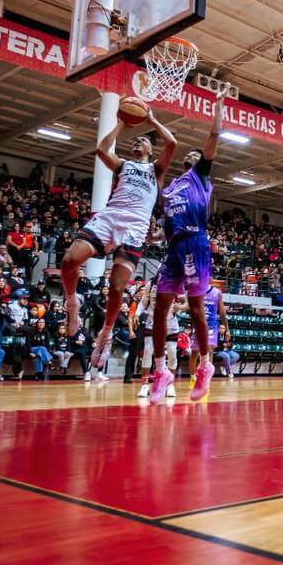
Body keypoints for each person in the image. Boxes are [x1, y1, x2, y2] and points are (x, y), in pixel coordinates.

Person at [58, 107, 176, 383]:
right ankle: (72, 304)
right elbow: (102, 149)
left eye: (143, 141)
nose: (138, 142)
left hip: (135, 225)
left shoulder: (155, 169)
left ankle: (107, 332)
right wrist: (122, 124)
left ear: (150, 149)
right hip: (110, 216)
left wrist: (151, 120)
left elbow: (172, 143)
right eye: (136, 140)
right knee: (69, 260)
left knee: (117, 287)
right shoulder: (123, 165)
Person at [144, 85, 229, 405]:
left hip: (196, 243)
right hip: (174, 248)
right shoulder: (171, 189)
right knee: (159, 309)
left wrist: (218, 107)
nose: (193, 155)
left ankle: (205, 366)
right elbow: (167, 224)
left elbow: (215, 135)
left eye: (197, 154)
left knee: (195, 309)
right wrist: (155, 236)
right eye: (190, 155)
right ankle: (160, 371)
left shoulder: (200, 176)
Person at [188, 284, 227, 387]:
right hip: (197, 325)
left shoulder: (217, 293)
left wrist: (227, 329)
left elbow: (222, 312)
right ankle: (193, 378)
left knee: (209, 350)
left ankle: (206, 379)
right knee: (194, 353)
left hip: (211, 326)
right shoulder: (195, 289)